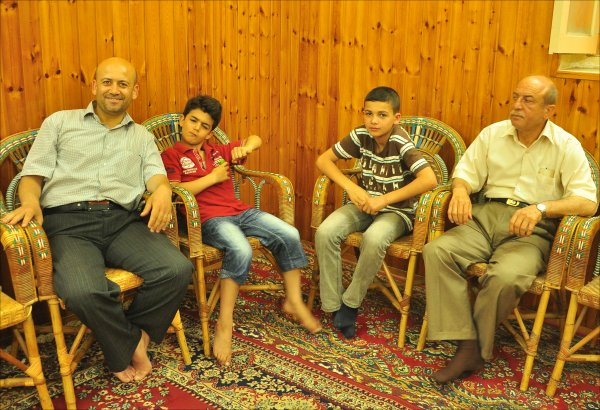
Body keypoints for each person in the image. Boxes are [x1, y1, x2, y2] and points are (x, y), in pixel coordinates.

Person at [1, 57, 194, 383]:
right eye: (107, 82)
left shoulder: (142, 137)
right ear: (94, 86)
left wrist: (162, 191)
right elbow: (32, 176)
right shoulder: (60, 123)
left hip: (123, 221)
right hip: (68, 224)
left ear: (134, 91)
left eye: (123, 84)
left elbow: (157, 178)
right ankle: (130, 345)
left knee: (176, 269)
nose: (114, 90)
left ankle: (135, 337)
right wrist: (31, 202)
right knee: (81, 291)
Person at [422, 75, 598, 384]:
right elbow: (465, 173)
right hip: (484, 218)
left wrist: (541, 208)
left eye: (527, 100)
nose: (516, 105)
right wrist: (460, 191)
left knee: (506, 276)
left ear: (549, 110)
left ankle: (470, 349)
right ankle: (468, 342)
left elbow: (587, 202)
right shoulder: (493, 134)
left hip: (531, 230)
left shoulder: (566, 145)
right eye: (515, 97)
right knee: (438, 251)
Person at [160, 95, 321, 367]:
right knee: (240, 248)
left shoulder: (217, 151)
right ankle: (225, 323)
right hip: (209, 220)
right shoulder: (171, 156)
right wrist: (211, 178)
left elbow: (256, 138)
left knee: (289, 234)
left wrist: (244, 148)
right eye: (193, 121)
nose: (196, 128)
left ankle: (293, 300)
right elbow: (174, 191)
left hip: (240, 212)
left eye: (204, 126)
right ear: (182, 120)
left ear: (210, 132)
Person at [314, 86, 438, 339]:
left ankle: (350, 304)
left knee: (373, 238)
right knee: (326, 232)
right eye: (368, 113)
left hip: (398, 212)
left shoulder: (400, 141)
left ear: (396, 118)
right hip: (365, 205)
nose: (373, 121)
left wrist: (384, 200)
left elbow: (429, 179)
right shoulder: (361, 135)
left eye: (382, 115)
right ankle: (333, 304)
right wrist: (351, 187)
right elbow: (323, 160)